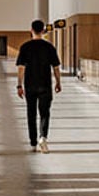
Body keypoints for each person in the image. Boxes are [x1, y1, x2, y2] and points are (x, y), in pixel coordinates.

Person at [16, 19, 62, 153]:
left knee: (31, 113)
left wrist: (19, 85)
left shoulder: (25, 47)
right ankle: (43, 137)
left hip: (30, 85)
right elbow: (56, 67)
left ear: (31, 30)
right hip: (45, 85)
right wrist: (58, 82)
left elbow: (21, 68)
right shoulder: (49, 47)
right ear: (43, 31)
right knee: (44, 113)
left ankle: (32, 141)